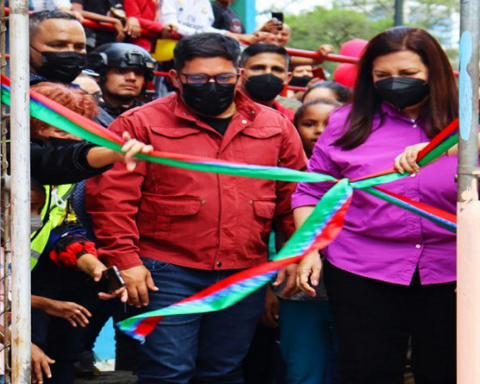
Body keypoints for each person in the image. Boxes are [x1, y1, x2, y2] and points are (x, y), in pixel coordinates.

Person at [86, 32, 307, 384]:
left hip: (244, 269)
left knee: (223, 371)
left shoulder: (275, 126)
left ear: (239, 75)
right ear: (175, 78)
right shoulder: (140, 123)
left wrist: (294, 254)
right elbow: (112, 200)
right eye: (198, 79)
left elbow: (294, 197)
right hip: (166, 269)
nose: (212, 86)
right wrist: (125, 260)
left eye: (223, 78)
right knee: (168, 371)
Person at [292, 26, 458, 384]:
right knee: (368, 370)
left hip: (454, 272)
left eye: (409, 74)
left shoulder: (468, 126)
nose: (395, 82)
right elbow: (310, 192)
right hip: (362, 271)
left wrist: (457, 147)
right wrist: (308, 250)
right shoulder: (345, 123)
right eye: (383, 76)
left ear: (435, 72)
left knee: (447, 369)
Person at [271, 99, 343, 384]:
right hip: (296, 291)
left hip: (350, 288)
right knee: (302, 368)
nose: (320, 131)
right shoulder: (281, 172)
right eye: (310, 124)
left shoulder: (366, 170)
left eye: (330, 124)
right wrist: (270, 289)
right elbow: (273, 230)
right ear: (294, 128)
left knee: (349, 363)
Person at [86, 42, 156, 126]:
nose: (132, 78)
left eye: (139, 73)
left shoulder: (153, 115)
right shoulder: (84, 111)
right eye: (120, 71)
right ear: (100, 75)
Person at [160, 0, 263, 44]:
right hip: (169, 46)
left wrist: (229, 34)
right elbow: (171, 25)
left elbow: (206, 28)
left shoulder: (205, 2)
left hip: (198, 46)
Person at [29, 10, 87, 84]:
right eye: (58, 45)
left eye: (79, 47)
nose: (71, 52)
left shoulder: (86, 92)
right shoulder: (12, 91)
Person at [239, 44, 295, 121]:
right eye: (258, 68)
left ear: (287, 78)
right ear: (241, 74)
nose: (268, 73)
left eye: (277, 69)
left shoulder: (292, 120)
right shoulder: (222, 112)